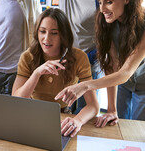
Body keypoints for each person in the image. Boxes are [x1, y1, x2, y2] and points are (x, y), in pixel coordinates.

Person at [9, 0, 101, 112]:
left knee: (85, 112)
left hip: (87, 60)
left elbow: (106, 40)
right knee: (57, 107)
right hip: (60, 55)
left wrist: (82, 58)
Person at [55, 0, 145, 125]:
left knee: (140, 126)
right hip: (122, 81)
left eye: (109, 2)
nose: (102, 9)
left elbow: (125, 72)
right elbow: (112, 66)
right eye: (100, 2)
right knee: (119, 122)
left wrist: (84, 85)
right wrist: (111, 109)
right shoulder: (109, 21)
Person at [12, 8, 99, 137]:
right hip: (31, 115)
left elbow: (93, 106)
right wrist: (36, 73)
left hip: (63, 117)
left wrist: (78, 120)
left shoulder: (79, 57)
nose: (46, 38)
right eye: (42, 31)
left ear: (63, 35)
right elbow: (16, 100)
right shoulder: (27, 56)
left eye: (54, 33)